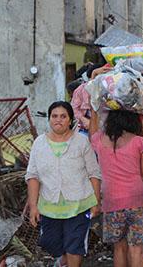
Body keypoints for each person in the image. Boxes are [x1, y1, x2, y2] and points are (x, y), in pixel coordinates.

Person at [89, 109, 143, 267]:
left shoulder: (99, 140)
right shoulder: (140, 142)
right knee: (137, 249)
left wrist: (94, 111)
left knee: (119, 248)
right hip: (139, 202)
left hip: (112, 202)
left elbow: (92, 133)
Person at [26, 101, 102, 267]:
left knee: (74, 245)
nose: (58, 120)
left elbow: (94, 173)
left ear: (70, 120)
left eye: (63, 116)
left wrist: (96, 201)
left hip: (79, 204)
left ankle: (70, 260)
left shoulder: (81, 142)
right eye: (54, 116)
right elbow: (33, 175)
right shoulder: (39, 143)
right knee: (49, 242)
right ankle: (63, 260)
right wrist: (33, 206)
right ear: (49, 119)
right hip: (49, 205)